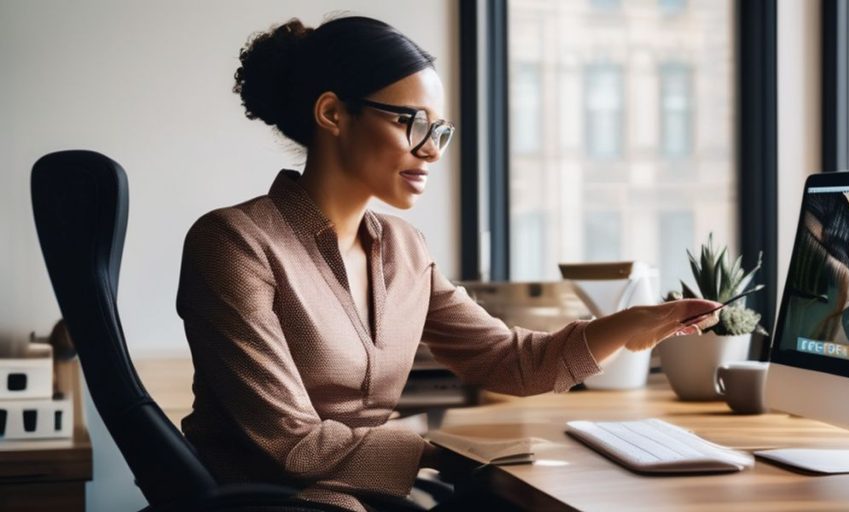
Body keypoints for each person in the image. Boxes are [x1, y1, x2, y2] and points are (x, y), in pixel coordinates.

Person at [175, 15, 720, 511]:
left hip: (359, 493)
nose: (432, 149)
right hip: (275, 502)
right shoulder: (234, 243)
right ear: (333, 113)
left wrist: (628, 325)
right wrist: (441, 451)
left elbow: (510, 361)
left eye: (439, 131)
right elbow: (292, 445)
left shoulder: (404, 249)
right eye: (413, 122)